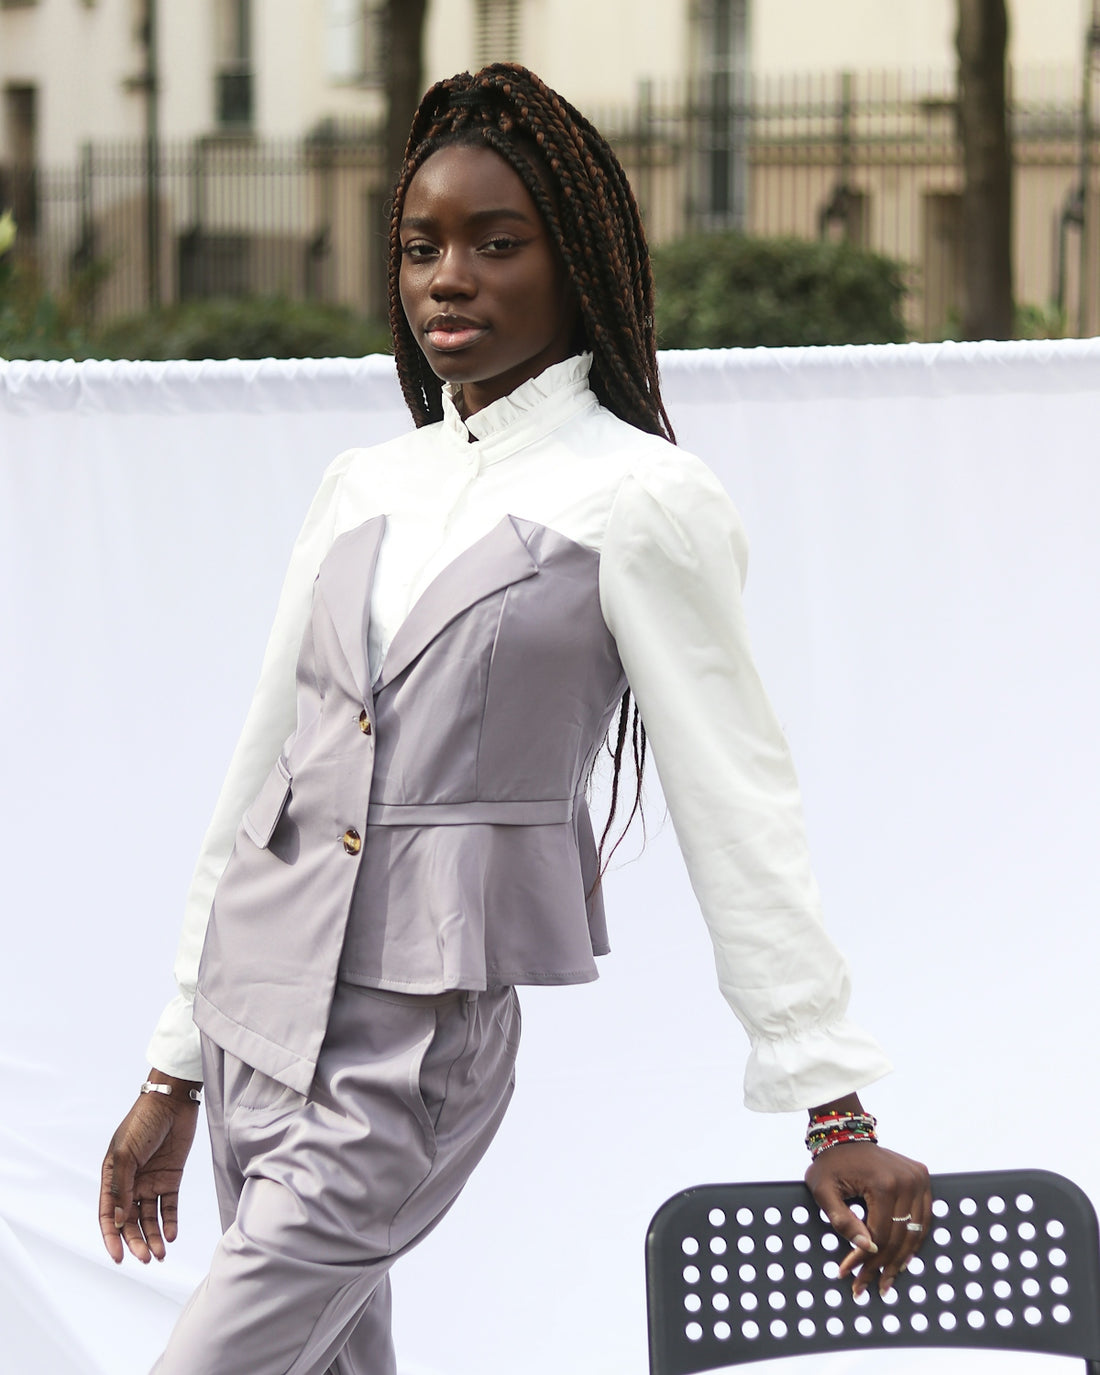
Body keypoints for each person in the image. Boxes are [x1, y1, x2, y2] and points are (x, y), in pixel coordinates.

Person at [99, 63, 930, 1375]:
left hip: (410, 1043)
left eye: (497, 244)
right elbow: (262, 776)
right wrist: (172, 1068)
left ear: (577, 261)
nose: (449, 279)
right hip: (252, 1013)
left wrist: (832, 1105)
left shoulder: (640, 498)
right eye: (421, 247)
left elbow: (738, 806)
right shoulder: (363, 482)